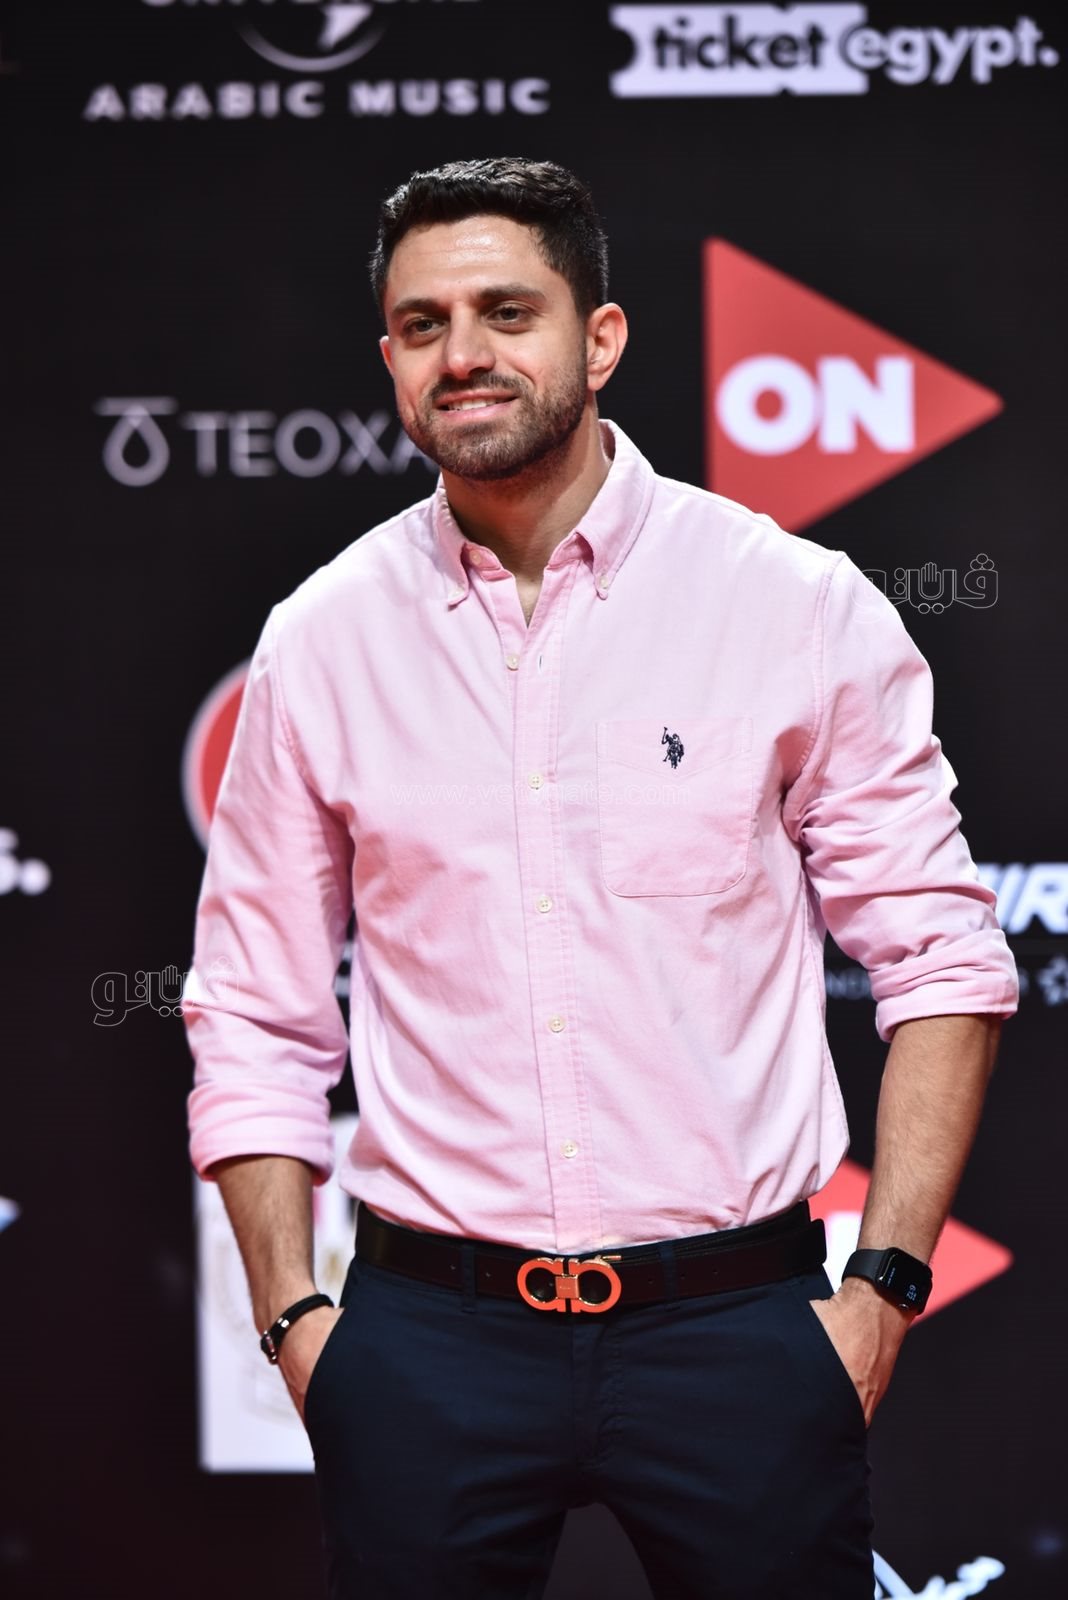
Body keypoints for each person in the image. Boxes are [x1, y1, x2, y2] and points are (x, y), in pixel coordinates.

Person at [183, 156, 1018, 1599]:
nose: (464, 353)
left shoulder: (792, 606)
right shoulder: (321, 640)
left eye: (508, 311)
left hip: (740, 1328)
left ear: (602, 338)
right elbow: (254, 1010)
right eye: (424, 323)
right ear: (390, 358)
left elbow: (944, 961)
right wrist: (295, 1323)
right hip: (424, 1338)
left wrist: (880, 1291)